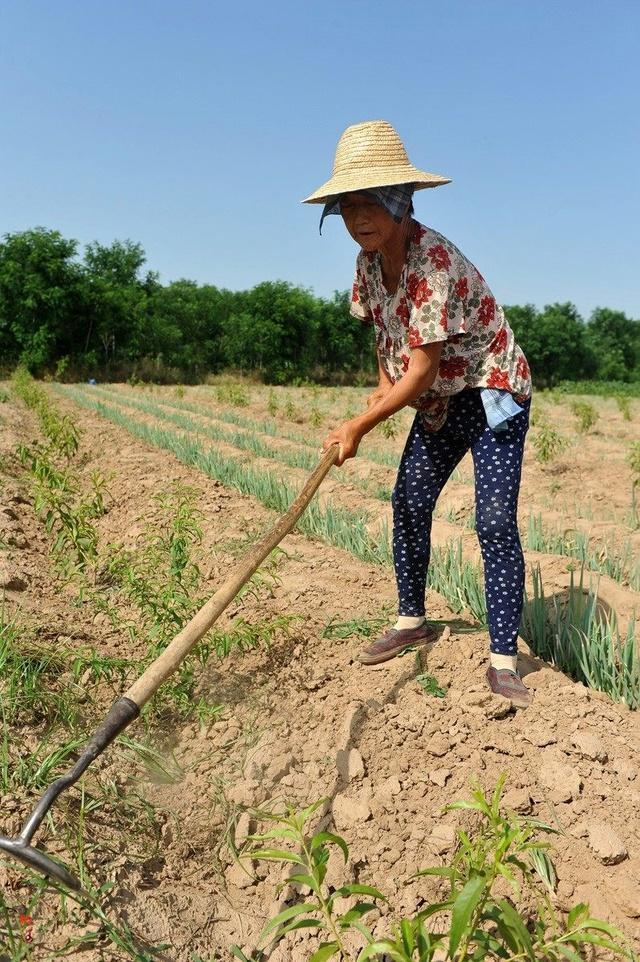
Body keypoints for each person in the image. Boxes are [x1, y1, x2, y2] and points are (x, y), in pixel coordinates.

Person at [303, 120, 533, 708]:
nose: (358, 219)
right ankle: (412, 622)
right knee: (407, 500)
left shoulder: (432, 264)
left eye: (369, 204)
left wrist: (361, 425)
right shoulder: (368, 264)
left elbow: (423, 367)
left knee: (494, 520)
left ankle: (504, 659)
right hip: (441, 399)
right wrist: (375, 401)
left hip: (491, 389)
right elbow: (389, 350)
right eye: (347, 207)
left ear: (399, 202)